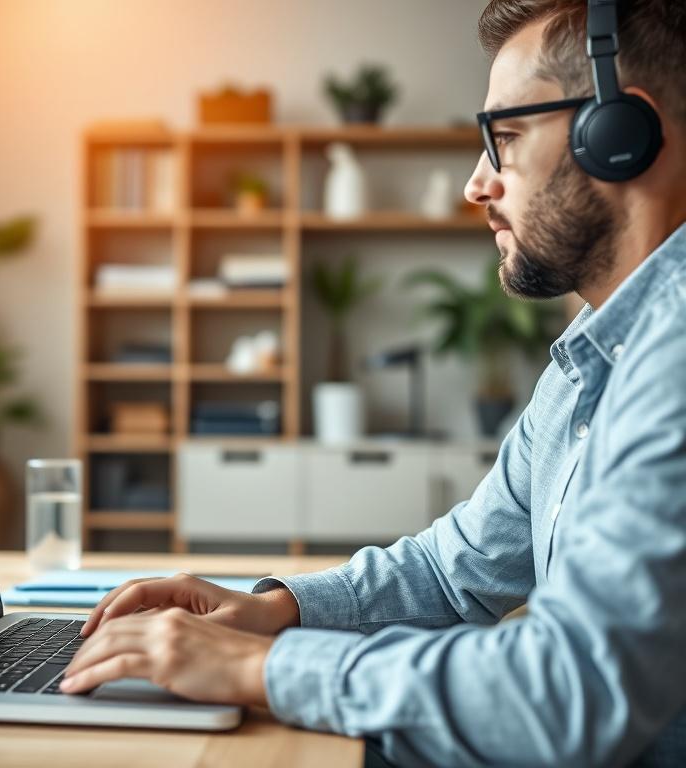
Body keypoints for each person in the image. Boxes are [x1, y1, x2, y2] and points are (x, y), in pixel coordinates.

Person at [62, 1, 686, 764]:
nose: (475, 185)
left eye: (507, 138)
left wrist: (255, 668)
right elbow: (453, 573)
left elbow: (572, 692)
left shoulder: (674, 354)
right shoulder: (590, 363)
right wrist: (273, 613)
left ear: (621, 136)